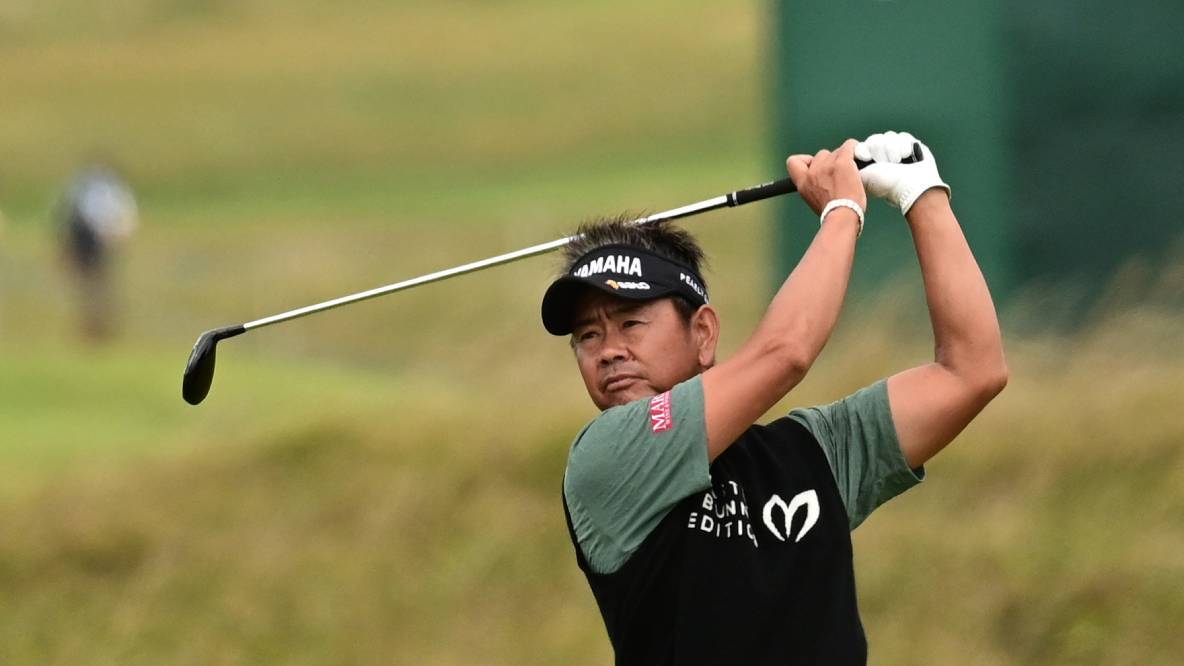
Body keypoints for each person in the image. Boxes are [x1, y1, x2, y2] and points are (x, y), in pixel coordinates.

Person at [540, 131, 1007, 664]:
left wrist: (922, 195)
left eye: (631, 323)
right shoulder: (608, 458)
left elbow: (972, 372)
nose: (608, 352)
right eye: (588, 335)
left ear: (703, 334)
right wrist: (841, 211)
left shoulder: (813, 453)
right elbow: (785, 353)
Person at [57, 162, 139, 341]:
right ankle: (94, 325)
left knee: (96, 286)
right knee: (92, 286)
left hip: (96, 243)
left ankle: (98, 325)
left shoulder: (89, 190)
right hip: (90, 242)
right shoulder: (100, 190)